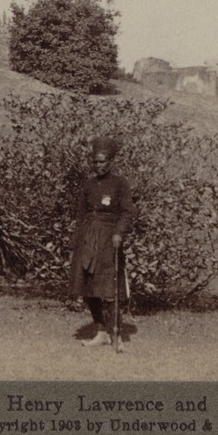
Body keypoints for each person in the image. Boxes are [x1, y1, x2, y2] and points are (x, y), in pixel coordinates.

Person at [69, 137, 135, 348]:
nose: (98, 165)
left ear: (111, 161)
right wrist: (77, 241)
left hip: (109, 240)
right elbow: (81, 214)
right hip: (88, 239)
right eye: (95, 162)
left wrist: (119, 233)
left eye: (102, 161)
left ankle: (116, 332)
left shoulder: (120, 184)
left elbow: (127, 213)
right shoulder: (88, 185)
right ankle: (101, 331)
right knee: (88, 286)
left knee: (109, 286)